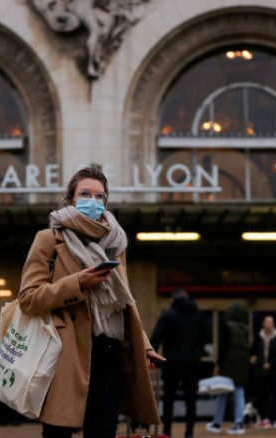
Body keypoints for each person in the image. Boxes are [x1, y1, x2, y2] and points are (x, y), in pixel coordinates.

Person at [18, 166, 164, 438]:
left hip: (108, 351)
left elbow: (124, 303)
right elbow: (28, 298)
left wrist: (143, 346)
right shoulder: (49, 239)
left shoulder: (115, 243)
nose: (93, 201)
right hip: (65, 352)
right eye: (85, 194)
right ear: (70, 199)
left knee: (103, 431)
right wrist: (78, 283)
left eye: (99, 196)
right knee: (58, 432)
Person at [150, 288, 207, 438]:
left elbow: (156, 337)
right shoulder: (197, 315)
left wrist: (151, 355)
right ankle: (189, 433)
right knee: (191, 400)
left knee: (169, 399)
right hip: (192, 363)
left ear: (173, 300)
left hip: (172, 363)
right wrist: (198, 353)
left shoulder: (168, 315)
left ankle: (167, 431)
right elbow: (204, 338)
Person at [206, 301, 250, 436]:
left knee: (222, 393)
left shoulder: (227, 326)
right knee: (239, 393)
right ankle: (239, 423)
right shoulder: (245, 328)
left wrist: (218, 364)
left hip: (228, 364)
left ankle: (217, 423)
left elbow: (223, 347)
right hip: (242, 364)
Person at [250, 315, 276, 429]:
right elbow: (253, 352)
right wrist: (257, 363)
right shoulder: (258, 337)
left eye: (271, 322)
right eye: (267, 322)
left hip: (274, 371)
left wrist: (271, 363)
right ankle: (263, 417)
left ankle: (272, 418)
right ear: (263, 324)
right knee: (261, 394)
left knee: (273, 394)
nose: (269, 324)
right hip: (260, 371)